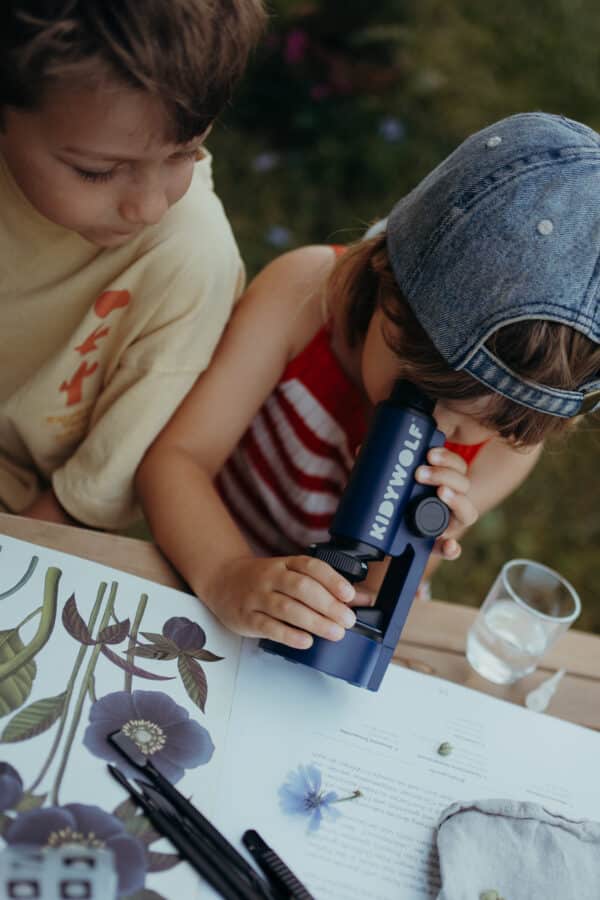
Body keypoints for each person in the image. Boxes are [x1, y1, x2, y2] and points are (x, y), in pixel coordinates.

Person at [136, 112, 600, 649]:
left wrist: (414, 541)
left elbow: (371, 603)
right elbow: (177, 460)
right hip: (215, 544)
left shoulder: (510, 446)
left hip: (324, 616)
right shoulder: (304, 295)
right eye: (422, 390)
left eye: (482, 424)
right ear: (387, 285)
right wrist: (226, 574)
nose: (440, 427)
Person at [0, 0, 266, 528]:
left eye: (184, 153)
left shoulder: (190, 263)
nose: (147, 207)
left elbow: (83, 502)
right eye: (97, 172)